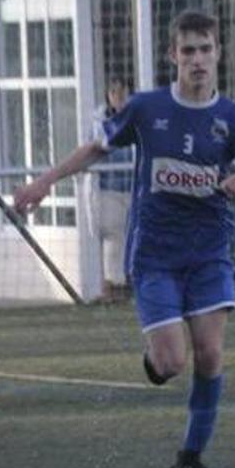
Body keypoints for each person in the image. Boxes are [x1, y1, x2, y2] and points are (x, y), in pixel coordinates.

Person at [13, 10, 235, 468]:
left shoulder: (232, 118)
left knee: (210, 354)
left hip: (210, 253)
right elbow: (96, 148)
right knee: (173, 362)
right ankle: (156, 359)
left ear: (218, 54)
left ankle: (191, 457)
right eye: (187, 50)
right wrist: (44, 181)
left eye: (205, 49)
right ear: (173, 55)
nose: (197, 59)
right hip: (155, 255)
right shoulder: (147, 108)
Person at [92, 77, 135, 301]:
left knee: (133, 236)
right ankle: (112, 284)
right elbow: (98, 148)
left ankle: (128, 281)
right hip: (111, 187)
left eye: (122, 92)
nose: (118, 96)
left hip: (133, 186)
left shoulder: (136, 117)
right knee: (113, 234)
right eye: (114, 92)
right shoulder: (100, 121)